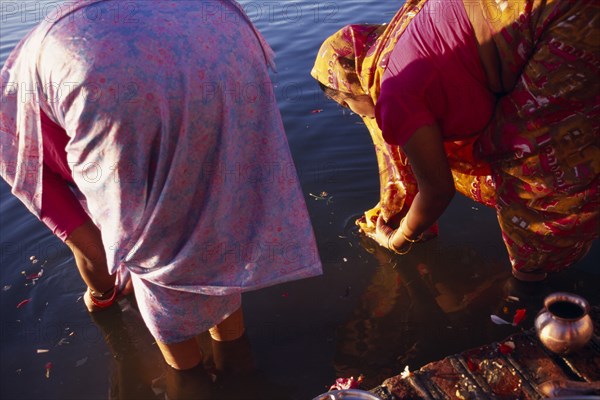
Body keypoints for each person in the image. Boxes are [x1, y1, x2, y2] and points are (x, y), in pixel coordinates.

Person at [0, 0, 322, 372]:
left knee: (156, 257)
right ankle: (235, 357)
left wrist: (101, 295)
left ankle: (191, 378)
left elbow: (91, 254)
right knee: (212, 214)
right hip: (215, 38)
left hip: (104, 74)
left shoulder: (16, 147)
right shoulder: (26, 91)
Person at [311, 0, 599, 281]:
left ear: (349, 91)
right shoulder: (399, 34)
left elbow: (437, 190)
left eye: (348, 107)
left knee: (532, 172)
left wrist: (396, 239)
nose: (361, 116)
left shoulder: (394, 92)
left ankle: (530, 284)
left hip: (564, 19)